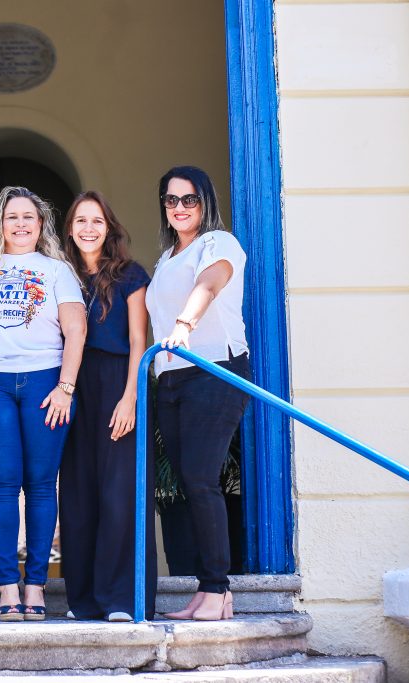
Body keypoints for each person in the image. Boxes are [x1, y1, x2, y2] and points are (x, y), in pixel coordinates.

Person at [0, 186, 86, 621]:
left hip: (45, 383)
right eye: (11, 217)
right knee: (0, 484)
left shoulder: (57, 270)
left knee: (40, 484)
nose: (20, 224)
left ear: (40, 224)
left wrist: (66, 387)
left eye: (28, 217)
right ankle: (7, 588)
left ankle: (35, 585)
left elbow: (76, 330)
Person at [145, 166, 250, 621]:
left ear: (204, 202)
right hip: (172, 380)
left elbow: (209, 284)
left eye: (189, 199)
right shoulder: (166, 259)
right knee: (190, 483)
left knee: (201, 478)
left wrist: (183, 326)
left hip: (214, 369)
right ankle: (205, 591)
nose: (180, 207)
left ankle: (217, 591)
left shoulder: (217, 243)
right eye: (171, 200)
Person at [59, 191, 157, 622]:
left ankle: (123, 599)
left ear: (109, 227)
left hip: (119, 381)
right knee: (78, 495)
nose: (88, 228)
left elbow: (139, 340)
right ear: (70, 229)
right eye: (81, 221)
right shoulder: (60, 274)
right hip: (72, 386)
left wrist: (131, 396)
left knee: (121, 494)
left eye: (96, 221)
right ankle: (84, 602)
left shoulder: (130, 275)